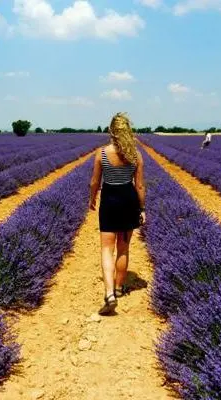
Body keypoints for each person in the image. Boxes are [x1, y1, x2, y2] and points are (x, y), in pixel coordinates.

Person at [89, 112, 146, 316]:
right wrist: (141, 209)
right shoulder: (135, 155)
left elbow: (95, 181)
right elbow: (139, 185)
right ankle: (120, 287)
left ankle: (109, 294)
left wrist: (92, 198)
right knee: (123, 248)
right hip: (129, 200)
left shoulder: (102, 153)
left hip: (110, 201)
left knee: (106, 249)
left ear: (111, 131)